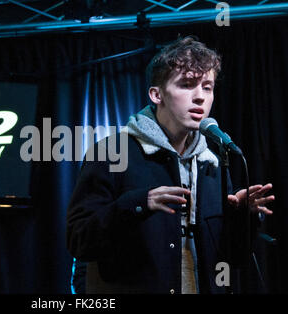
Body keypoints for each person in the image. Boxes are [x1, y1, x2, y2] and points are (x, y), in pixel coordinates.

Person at [66, 36, 275, 294]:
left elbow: (233, 256)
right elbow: (79, 239)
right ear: (156, 94)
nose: (200, 97)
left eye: (207, 87)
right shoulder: (111, 153)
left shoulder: (211, 162)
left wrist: (243, 216)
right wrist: (139, 203)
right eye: (187, 85)